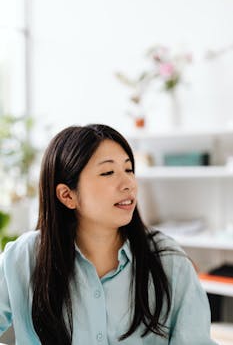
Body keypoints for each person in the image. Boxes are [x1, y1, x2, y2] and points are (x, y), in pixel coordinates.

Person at [0, 124, 218, 345]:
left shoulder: (168, 260)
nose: (128, 184)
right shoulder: (23, 257)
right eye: (108, 172)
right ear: (67, 195)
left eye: (129, 169)